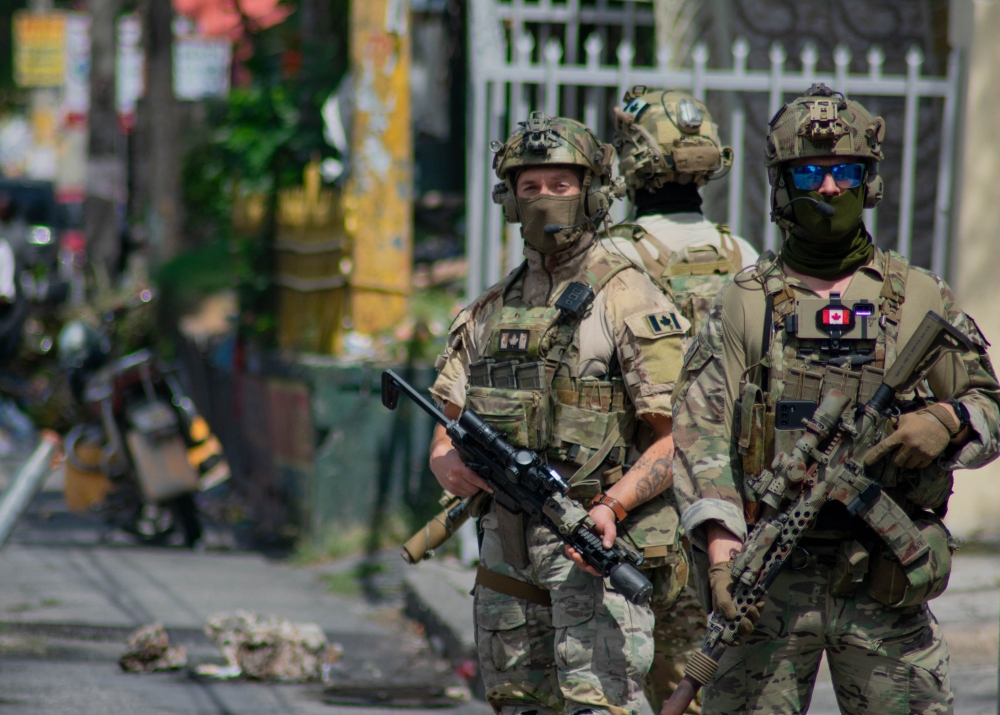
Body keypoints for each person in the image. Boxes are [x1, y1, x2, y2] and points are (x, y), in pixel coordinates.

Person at [671, 83, 1000, 715]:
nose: (828, 188)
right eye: (811, 172)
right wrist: (719, 550)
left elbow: (990, 404)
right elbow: (701, 434)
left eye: (844, 170)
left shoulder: (921, 296)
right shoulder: (744, 300)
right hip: (767, 581)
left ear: (868, 182)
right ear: (782, 184)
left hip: (884, 582)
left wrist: (948, 420)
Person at [429, 112, 688, 715]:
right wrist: (445, 460)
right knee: (515, 704)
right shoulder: (488, 310)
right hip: (506, 555)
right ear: (511, 201)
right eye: (530, 187)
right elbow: (448, 420)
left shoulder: (629, 297)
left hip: (591, 550)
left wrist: (612, 505)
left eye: (561, 185)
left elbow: (675, 440)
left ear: (592, 193)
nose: (545, 199)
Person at [599, 88, 758, 714]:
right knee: (714, 665)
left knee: (647, 672)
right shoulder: (742, 251)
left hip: (646, 498)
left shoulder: (615, 255)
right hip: (728, 498)